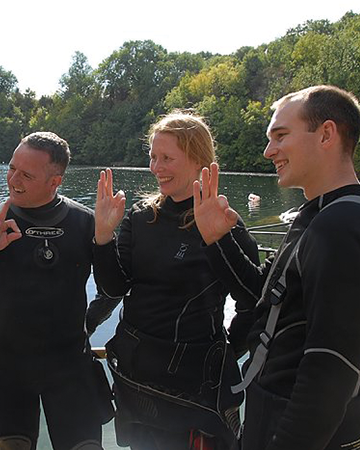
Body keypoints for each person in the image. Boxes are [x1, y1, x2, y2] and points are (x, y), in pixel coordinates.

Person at [193, 85, 360, 450]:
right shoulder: (315, 215)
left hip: (299, 428)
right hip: (270, 414)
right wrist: (219, 240)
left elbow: (332, 367)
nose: (269, 151)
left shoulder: (342, 224)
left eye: (281, 136)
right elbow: (263, 297)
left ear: (327, 134)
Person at [0, 132, 109, 450]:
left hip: (71, 367)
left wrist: (86, 325)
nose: (13, 179)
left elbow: (114, 289)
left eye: (26, 174)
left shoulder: (85, 222)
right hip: (8, 368)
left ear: (55, 181)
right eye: (11, 168)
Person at [92, 112, 259, 450]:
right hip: (138, 381)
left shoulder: (222, 222)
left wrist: (224, 352)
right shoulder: (141, 217)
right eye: (153, 157)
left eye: (167, 158)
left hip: (195, 389)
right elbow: (114, 288)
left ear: (199, 160)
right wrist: (102, 237)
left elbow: (253, 301)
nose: (156, 167)